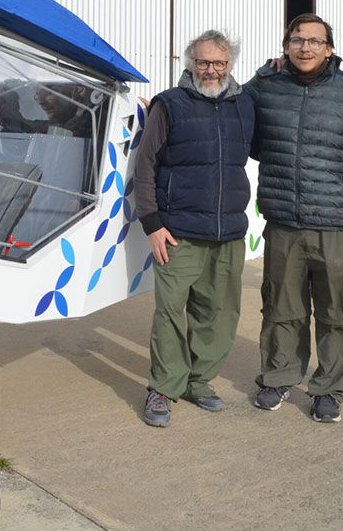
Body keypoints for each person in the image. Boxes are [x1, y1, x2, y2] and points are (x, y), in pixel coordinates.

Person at [246, 14, 343, 423]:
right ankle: (280, 375)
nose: (305, 47)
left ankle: (329, 388)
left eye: (315, 41)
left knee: (340, 311)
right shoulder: (265, 88)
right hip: (284, 220)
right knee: (282, 306)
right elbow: (224, 110)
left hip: (334, 221)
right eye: (297, 39)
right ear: (285, 46)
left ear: (330, 49)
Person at [133, 30, 255, 427]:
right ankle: (163, 389)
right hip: (178, 230)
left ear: (230, 65)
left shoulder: (244, 105)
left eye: (219, 63)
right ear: (190, 63)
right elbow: (145, 166)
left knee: (218, 314)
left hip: (228, 231)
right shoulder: (169, 105)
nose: (211, 70)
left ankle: (198, 381)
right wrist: (152, 223)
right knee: (170, 312)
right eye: (203, 62)